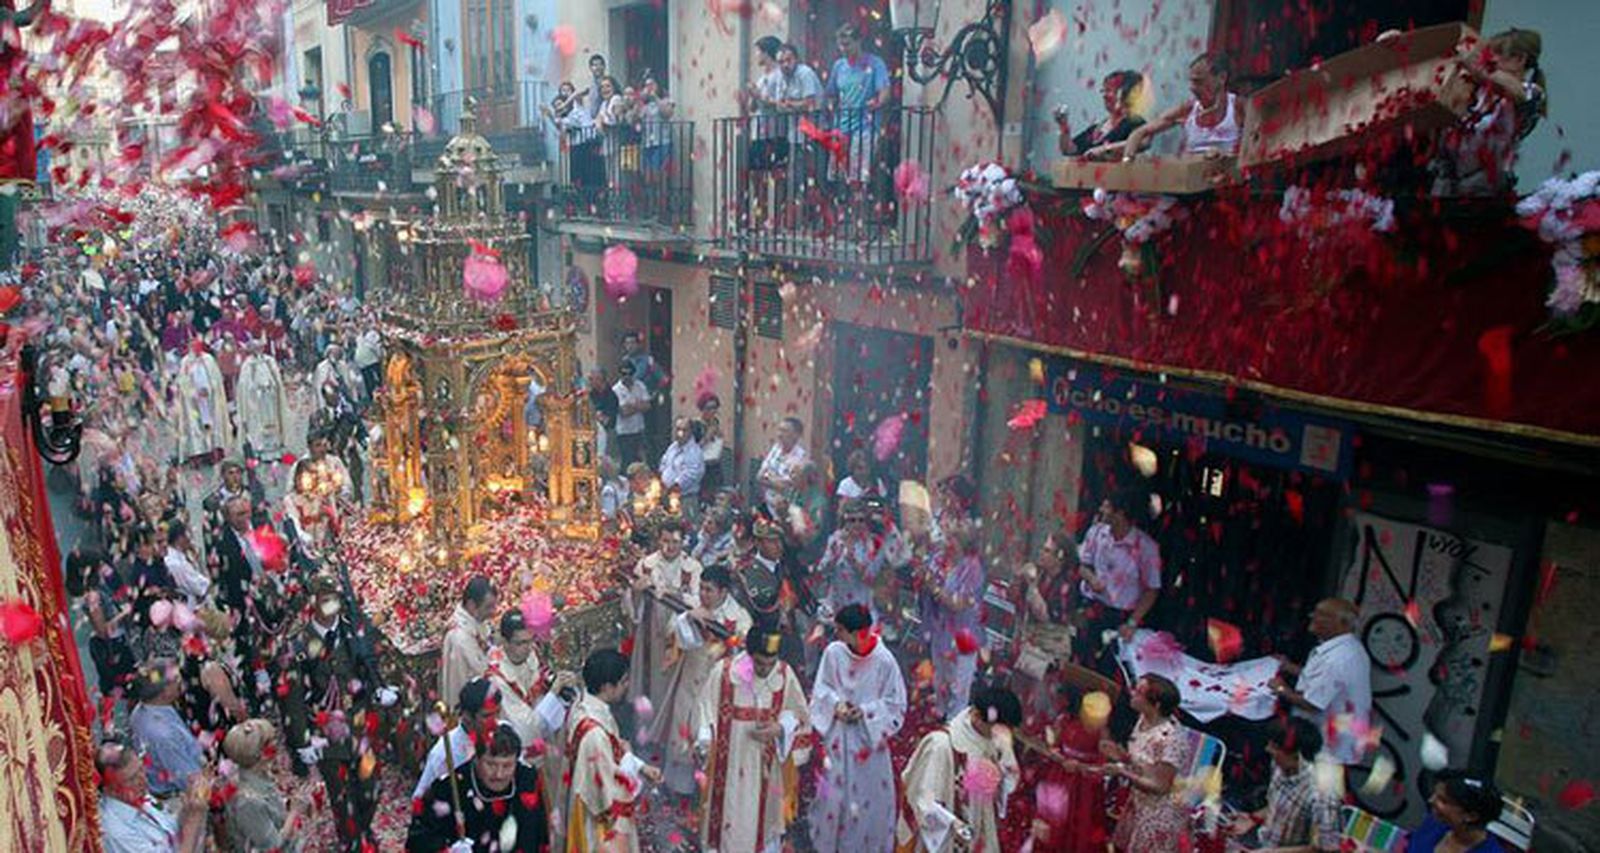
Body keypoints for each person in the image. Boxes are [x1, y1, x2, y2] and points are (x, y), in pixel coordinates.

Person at [285, 575, 383, 851]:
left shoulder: (354, 633)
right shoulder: (300, 645)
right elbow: (293, 698)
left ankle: (363, 827)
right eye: (323, 598)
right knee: (341, 797)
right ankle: (351, 839)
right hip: (326, 734)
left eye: (334, 598)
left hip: (359, 726)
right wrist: (302, 740)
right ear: (312, 603)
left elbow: (370, 669)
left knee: (370, 787)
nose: (330, 605)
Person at [696, 625, 812, 853]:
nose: (765, 670)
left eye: (771, 663)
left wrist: (780, 729)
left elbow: (800, 716)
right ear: (748, 654)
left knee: (763, 822)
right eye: (759, 663)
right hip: (728, 767)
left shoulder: (783, 674)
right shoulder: (725, 673)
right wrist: (705, 743)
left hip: (766, 771)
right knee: (728, 820)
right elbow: (704, 710)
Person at [809, 604, 907, 853]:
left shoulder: (884, 661)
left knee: (866, 801)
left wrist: (865, 712)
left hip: (869, 744)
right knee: (834, 797)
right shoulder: (834, 653)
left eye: (841, 630)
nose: (836, 634)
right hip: (839, 737)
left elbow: (896, 704)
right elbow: (822, 689)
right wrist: (836, 705)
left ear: (858, 633)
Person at [652, 565, 752, 798]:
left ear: (724, 591)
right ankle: (680, 791)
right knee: (683, 733)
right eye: (702, 589)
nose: (704, 594)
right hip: (689, 679)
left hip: (718, 687)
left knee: (710, 736)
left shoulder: (739, 618)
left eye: (709, 590)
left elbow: (744, 658)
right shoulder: (691, 607)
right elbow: (676, 638)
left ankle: (709, 793)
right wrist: (688, 617)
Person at [896, 685, 1024, 853]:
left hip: (976, 833)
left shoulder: (991, 743)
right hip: (942, 839)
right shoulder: (940, 745)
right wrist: (954, 825)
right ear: (977, 716)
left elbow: (998, 794)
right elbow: (921, 800)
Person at [487, 610, 576, 849]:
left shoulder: (530, 655)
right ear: (504, 642)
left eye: (530, 641)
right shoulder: (497, 678)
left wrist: (558, 692)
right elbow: (525, 728)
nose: (527, 649)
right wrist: (554, 695)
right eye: (520, 643)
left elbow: (539, 687)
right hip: (518, 759)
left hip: (544, 747)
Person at [564, 648, 661, 852]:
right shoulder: (594, 735)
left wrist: (641, 766)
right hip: (600, 825)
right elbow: (608, 797)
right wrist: (631, 770)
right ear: (608, 686)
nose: (627, 686)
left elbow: (615, 748)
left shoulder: (585, 706)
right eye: (624, 681)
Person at [1430, 28, 1547, 196]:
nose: (1490, 58)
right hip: (1448, 181)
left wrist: (1476, 67)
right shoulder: (1477, 90)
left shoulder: (1532, 92)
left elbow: (1515, 91)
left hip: (1486, 187)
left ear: (1520, 59)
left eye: (1498, 53)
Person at [406, 722, 550, 852]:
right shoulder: (448, 788)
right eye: (491, 764)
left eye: (507, 766)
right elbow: (419, 840)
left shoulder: (527, 780)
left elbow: (538, 835)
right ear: (476, 759)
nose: (499, 774)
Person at [1270, 598, 1372, 767]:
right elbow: (1323, 681)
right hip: (1334, 743)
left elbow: (1312, 703)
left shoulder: (1337, 658)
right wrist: (1289, 667)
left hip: (1326, 748)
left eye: (1321, 614)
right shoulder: (1349, 648)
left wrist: (1280, 688)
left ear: (1341, 623)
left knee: (1313, 791)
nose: (1312, 616)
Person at [1100, 674, 1191, 852]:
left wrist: (1122, 772)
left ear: (1155, 705)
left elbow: (1160, 786)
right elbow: (1145, 763)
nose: (1132, 693)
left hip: (1159, 816)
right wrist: (1123, 757)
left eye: (1139, 692)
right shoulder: (1144, 720)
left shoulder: (1169, 739)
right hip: (1140, 804)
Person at [626, 524, 702, 732]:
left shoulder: (692, 567)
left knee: (675, 684)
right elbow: (631, 606)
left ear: (683, 542)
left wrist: (676, 596)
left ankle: (670, 731)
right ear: (659, 541)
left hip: (679, 636)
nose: (670, 547)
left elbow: (699, 601)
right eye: (665, 541)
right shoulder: (646, 565)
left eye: (675, 542)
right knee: (650, 682)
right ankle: (646, 729)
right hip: (650, 633)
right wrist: (636, 592)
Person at [1075, 490, 1162, 667]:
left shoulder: (1146, 548)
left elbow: (1152, 590)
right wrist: (1092, 579)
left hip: (1120, 617)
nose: (1101, 509)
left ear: (1120, 514)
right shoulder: (1096, 533)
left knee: (1109, 667)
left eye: (1106, 506)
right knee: (1080, 659)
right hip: (1091, 607)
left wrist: (1132, 622)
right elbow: (1081, 565)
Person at [1228, 717, 1341, 852]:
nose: (1267, 749)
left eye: (1274, 747)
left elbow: (1326, 847)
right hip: (1264, 844)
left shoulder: (1322, 795)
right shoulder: (1279, 765)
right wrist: (1254, 818)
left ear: (1296, 755)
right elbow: (1281, 802)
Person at [916, 517, 986, 718]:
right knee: (940, 680)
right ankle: (940, 717)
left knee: (958, 686)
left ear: (964, 544)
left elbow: (958, 604)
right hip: (941, 629)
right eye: (948, 537)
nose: (947, 542)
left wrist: (934, 588)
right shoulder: (940, 559)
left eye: (953, 539)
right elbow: (925, 578)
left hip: (964, 634)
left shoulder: (972, 568)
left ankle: (955, 727)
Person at [97, 737, 212, 853]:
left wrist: (189, 809)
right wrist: (193, 821)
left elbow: (172, 835)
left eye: (141, 769)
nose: (142, 780)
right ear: (109, 789)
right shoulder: (117, 831)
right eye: (132, 779)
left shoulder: (136, 796)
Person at [1118, 53, 1240, 159]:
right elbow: (1139, 133)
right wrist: (1127, 161)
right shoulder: (1188, 109)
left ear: (1222, 78)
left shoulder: (1239, 107)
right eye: (1191, 81)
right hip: (1194, 180)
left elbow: (1253, 152)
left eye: (1199, 82)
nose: (1192, 88)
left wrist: (1225, 155)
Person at [222, 718, 305, 852]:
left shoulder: (259, 776)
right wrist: (294, 812)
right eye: (271, 742)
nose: (277, 745)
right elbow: (273, 845)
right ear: (262, 754)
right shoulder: (248, 801)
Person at [826, 22, 891, 185]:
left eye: (847, 44)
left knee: (858, 177)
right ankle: (842, 207)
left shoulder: (875, 63)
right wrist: (831, 105)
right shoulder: (838, 66)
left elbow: (885, 91)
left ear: (858, 41)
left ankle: (859, 208)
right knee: (838, 176)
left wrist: (877, 103)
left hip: (865, 127)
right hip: (841, 127)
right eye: (840, 45)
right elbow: (831, 93)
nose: (843, 49)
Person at [129, 659, 206, 798]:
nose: (180, 681)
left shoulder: (142, 709)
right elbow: (190, 781)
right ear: (165, 692)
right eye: (176, 679)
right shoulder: (164, 735)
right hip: (178, 796)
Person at [413, 677, 499, 801]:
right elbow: (420, 799)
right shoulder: (443, 753)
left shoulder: (504, 732)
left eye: (497, 713)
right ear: (467, 716)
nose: (494, 721)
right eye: (487, 716)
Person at [66, 548, 135, 699]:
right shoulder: (92, 597)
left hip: (118, 640)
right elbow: (103, 630)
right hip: (115, 643)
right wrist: (123, 613)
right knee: (130, 684)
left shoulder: (94, 589)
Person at [1408, 770, 1507, 853]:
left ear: (1471, 816)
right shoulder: (1434, 823)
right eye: (1435, 795)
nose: (1431, 800)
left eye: (1443, 801)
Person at [1058, 69, 1147, 157]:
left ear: (1125, 93)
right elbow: (1069, 150)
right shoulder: (1097, 128)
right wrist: (1063, 125)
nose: (1104, 95)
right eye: (1103, 91)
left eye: (1109, 90)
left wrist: (1104, 149)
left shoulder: (1135, 122)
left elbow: (1143, 142)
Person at [441, 575, 498, 710]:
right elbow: (459, 685)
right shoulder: (459, 640)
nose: (493, 612)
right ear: (472, 605)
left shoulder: (477, 623)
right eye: (489, 607)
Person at [174, 338, 234, 464]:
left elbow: (216, 378)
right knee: (196, 425)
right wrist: (194, 393)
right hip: (194, 402)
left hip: (210, 399)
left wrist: (209, 389)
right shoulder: (185, 362)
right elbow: (183, 382)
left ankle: (214, 450)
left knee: (212, 424)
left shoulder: (208, 360)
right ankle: (200, 452)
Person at [236, 339, 290, 454]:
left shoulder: (269, 361)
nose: (258, 350)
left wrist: (272, 386)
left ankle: (275, 444)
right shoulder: (248, 364)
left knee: (272, 422)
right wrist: (257, 389)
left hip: (270, 397)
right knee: (259, 423)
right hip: (257, 401)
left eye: (260, 348)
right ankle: (259, 446)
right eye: (256, 348)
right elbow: (245, 386)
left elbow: (276, 379)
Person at [757, 416, 809, 514]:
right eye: (779, 430)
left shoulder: (801, 457)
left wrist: (769, 479)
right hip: (767, 506)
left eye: (785, 431)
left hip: (786, 511)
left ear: (796, 435)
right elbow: (759, 476)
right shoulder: (776, 449)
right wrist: (776, 481)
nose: (779, 434)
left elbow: (788, 488)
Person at [658, 416, 705, 515]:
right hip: (667, 496)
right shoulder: (672, 447)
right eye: (678, 429)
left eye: (684, 430)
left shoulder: (694, 452)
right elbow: (663, 463)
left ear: (691, 432)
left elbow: (691, 475)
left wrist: (671, 488)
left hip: (685, 499)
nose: (680, 433)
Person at [611, 360, 651, 466]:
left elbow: (647, 406)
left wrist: (631, 406)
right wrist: (638, 405)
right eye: (624, 374)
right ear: (620, 374)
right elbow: (624, 412)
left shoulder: (640, 386)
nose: (627, 376)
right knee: (627, 462)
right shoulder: (615, 390)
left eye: (630, 374)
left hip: (639, 430)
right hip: (624, 433)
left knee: (641, 461)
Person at [163, 520, 209, 607]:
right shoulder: (174, 563)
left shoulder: (182, 557)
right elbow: (201, 587)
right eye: (188, 534)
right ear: (180, 538)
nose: (190, 539)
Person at [696, 393, 725, 498]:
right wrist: (708, 436)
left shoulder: (716, 422)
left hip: (715, 466)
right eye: (708, 408)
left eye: (714, 408)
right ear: (702, 409)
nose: (712, 411)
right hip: (702, 468)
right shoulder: (696, 425)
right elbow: (694, 449)